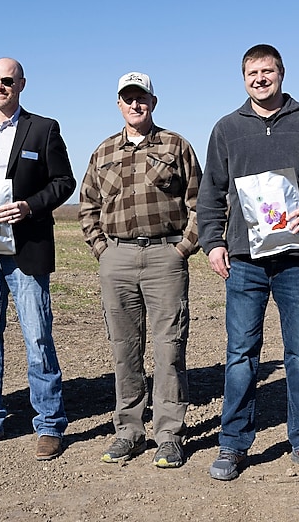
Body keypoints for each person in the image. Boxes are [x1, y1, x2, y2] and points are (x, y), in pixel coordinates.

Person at [197, 44, 299, 481]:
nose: (260, 78)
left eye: (268, 71)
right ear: (243, 78)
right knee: (240, 353)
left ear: (282, 73)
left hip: (296, 258)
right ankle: (233, 444)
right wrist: (212, 243)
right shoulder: (227, 128)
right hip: (244, 260)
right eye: (252, 72)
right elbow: (211, 192)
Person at [79, 72, 202, 468]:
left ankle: (169, 434)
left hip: (165, 257)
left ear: (153, 100)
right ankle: (129, 432)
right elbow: (87, 207)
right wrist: (102, 248)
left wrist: (183, 248)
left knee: (169, 350)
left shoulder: (176, 145)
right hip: (117, 259)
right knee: (124, 349)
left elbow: (201, 202)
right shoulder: (103, 151)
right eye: (128, 98)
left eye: (142, 97)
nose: (135, 104)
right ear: (119, 103)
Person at [0, 57, 76, 461]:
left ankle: (49, 424)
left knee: (37, 336)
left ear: (22, 83)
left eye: (7, 80)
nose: (0, 86)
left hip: (26, 250)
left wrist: (30, 206)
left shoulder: (43, 129)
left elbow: (64, 182)